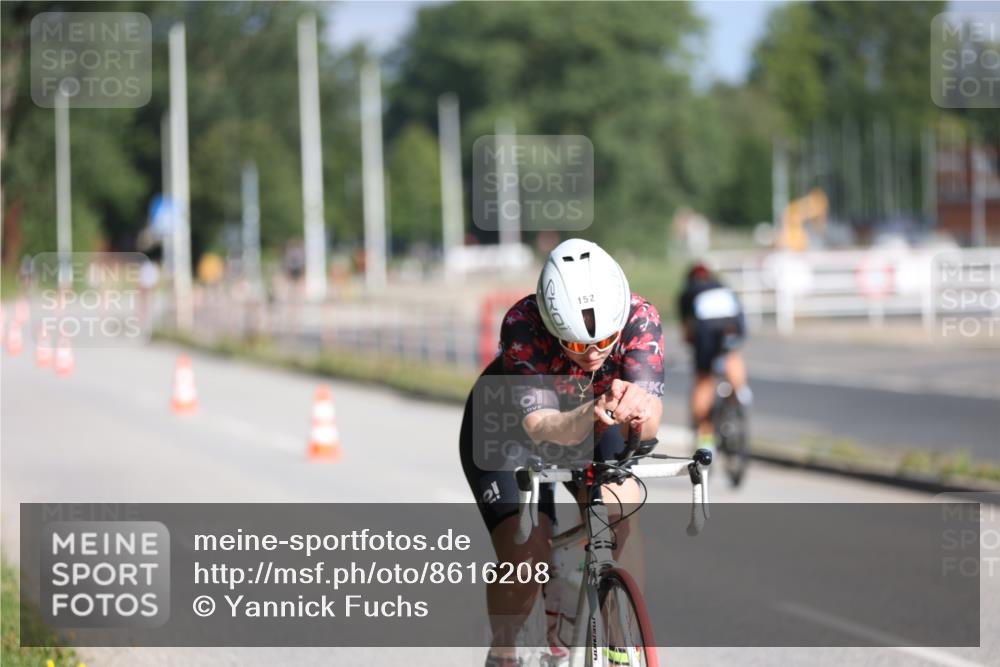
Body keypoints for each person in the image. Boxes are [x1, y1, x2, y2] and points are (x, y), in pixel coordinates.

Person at [459, 238, 665, 666]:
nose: (592, 354)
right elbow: (544, 427)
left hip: (595, 413)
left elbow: (652, 414)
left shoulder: (640, 318)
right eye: (575, 345)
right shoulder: (523, 322)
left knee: (620, 509)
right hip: (508, 425)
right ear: (553, 326)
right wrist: (596, 411)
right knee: (526, 553)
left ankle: (618, 643)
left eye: (604, 341)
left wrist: (640, 410)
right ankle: (504, 650)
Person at [676, 262, 751, 454]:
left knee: (704, 379)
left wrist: (694, 348)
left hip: (706, 331)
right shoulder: (722, 286)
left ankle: (705, 438)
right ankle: (739, 392)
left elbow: (687, 331)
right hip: (733, 326)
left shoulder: (688, 292)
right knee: (732, 353)